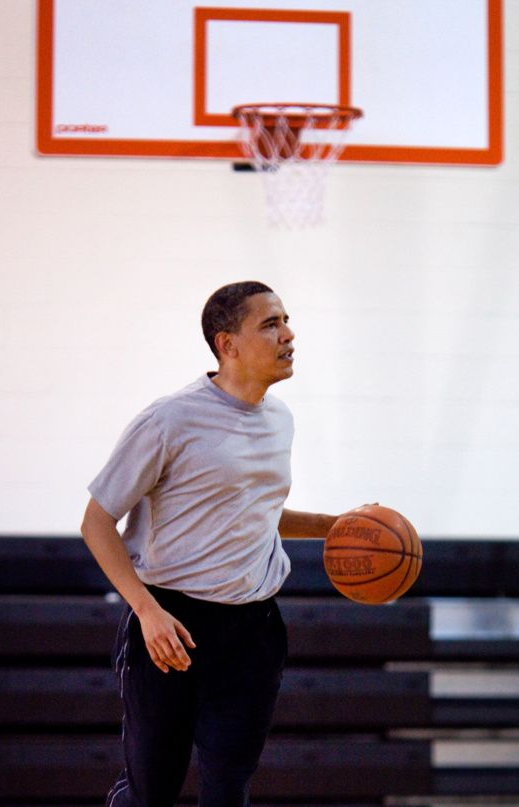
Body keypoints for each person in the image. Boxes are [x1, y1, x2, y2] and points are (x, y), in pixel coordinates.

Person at [80, 280, 341, 807]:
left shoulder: (280, 419)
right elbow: (97, 522)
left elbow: (256, 512)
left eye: (287, 320)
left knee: (227, 791)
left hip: (252, 630)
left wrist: (338, 526)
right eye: (271, 324)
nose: (288, 334)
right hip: (171, 624)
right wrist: (146, 611)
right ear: (228, 344)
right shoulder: (169, 419)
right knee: (153, 792)